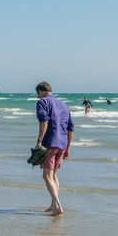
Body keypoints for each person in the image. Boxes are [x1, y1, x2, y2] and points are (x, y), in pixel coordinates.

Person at [35, 81, 74, 216]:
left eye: (38, 95)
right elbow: (71, 128)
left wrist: (39, 141)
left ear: (40, 92)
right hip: (62, 144)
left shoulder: (42, 102)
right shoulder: (64, 105)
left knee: (46, 175)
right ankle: (53, 204)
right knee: (54, 175)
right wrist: (68, 147)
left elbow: (44, 121)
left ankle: (58, 205)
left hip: (49, 143)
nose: (38, 97)